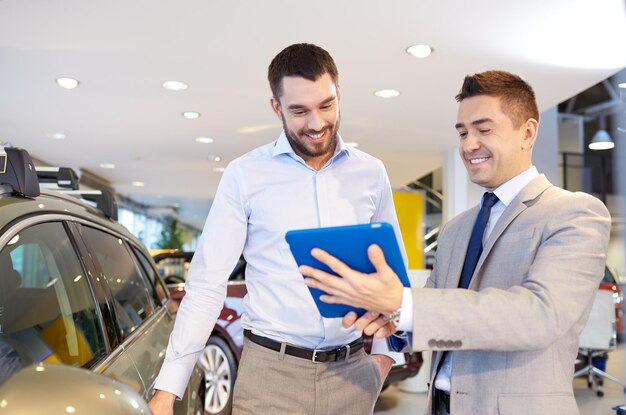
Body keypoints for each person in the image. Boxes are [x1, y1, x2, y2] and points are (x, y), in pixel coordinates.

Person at [300, 70, 611, 415]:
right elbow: (436, 314)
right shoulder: (456, 229)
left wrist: (405, 303)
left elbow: (540, 315)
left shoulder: (575, 213)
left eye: (483, 129)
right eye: (463, 132)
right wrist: (395, 319)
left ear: (528, 132)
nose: (468, 145)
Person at [148, 43, 405, 415]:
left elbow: (391, 278)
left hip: (352, 375)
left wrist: (383, 360)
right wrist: (167, 391)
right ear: (276, 108)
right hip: (271, 377)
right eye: (299, 111)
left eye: (326, 106)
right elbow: (207, 285)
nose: (316, 124)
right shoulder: (245, 175)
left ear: (339, 95)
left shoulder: (371, 173)